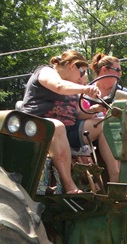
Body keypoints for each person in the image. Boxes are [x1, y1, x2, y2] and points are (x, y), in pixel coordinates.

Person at [20, 49, 102, 194]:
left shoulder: (72, 86)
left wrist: (95, 110)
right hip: (37, 126)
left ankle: (114, 181)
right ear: (72, 66)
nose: (82, 77)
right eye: (82, 72)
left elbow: (78, 113)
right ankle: (69, 185)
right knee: (57, 127)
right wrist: (85, 89)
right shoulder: (46, 71)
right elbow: (58, 86)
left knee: (104, 124)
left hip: (68, 130)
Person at [85, 53, 124, 182]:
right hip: (94, 136)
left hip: (119, 135)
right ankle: (115, 176)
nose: (120, 74)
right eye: (117, 70)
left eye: (120, 71)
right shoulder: (86, 92)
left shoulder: (122, 93)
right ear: (104, 70)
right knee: (106, 128)